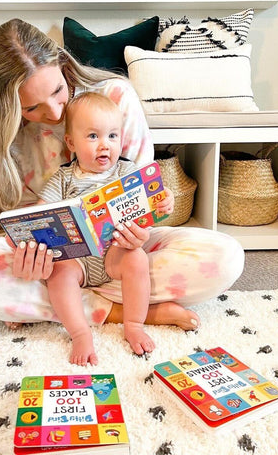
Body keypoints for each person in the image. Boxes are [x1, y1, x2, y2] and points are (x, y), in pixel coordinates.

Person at [0, 18, 244, 342]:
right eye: (31, 108)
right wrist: (29, 257)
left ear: (63, 63)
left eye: (57, 91)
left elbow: (140, 190)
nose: (54, 113)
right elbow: (25, 222)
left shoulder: (114, 98)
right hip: (60, 268)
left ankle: (49, 309)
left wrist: (143, 227)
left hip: (120, 254)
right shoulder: (8, 138)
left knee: (225, 256)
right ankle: (127, 312)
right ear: (7, 106)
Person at [37, 91, 187, 365]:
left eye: (112, 136)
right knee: (58, 273)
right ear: (70, 142)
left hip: (114, 254)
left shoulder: (126, 173)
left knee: (137, 259)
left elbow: (153, 203)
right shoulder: (63, 177)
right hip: (77, 259)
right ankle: (80, 332)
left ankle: (133, 323)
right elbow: (40, 211)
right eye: (93, 136)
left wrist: (164, 202)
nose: (104, 145)